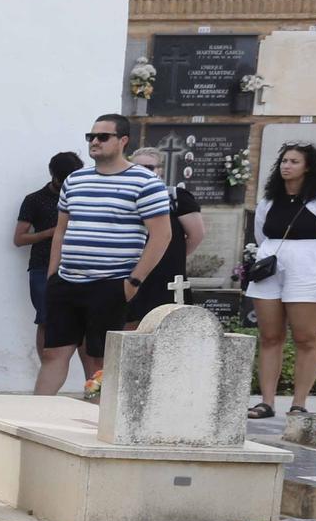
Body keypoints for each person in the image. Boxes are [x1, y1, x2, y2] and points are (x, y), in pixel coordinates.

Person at [37, 114, 170, 396]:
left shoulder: (145, 182)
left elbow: (162, 236)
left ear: (123, 141)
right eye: (91, 137)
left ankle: (96, 424)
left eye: (102, 136)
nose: (94, 142)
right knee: (52, 355)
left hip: (111, 283)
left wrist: (132, 283)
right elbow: (61, 231)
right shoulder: (75, 180)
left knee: (98, 361)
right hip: (67, 282)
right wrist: (52, 275)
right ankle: (33, 419)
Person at [247, 142, 316, 419]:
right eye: (283, 161)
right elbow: (261, 235)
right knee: (269, 336)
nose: (286, 166)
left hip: (309, 267)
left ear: (308, 167)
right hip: (272, 267)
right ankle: (266, 402)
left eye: (293, 162)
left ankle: (299, 403)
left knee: (305, 337)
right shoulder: (269, 201)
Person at [16, 152, 82, 365]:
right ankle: (47, 371)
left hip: (79, 265)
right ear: (54, 176)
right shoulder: (34, 200)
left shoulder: (83, 196)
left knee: (82, 321)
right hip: (42, 267)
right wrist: (52, 232)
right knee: (45, 319)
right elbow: (19, 238)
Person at [130, 146, 205, 307]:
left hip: (165, 272)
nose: (142, 172)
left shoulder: (176, 197)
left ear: (160, 170)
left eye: (149, 167)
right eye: (136, 168)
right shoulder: (125, 197)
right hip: (132, 269)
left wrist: (171, 256)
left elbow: (196, 235)